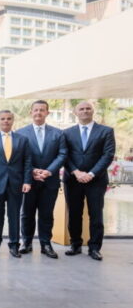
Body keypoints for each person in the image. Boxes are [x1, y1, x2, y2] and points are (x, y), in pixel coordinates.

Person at [63, 101, 115, 261]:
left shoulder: (106, 131)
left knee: (96, 214)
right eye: (81, 109)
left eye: (88, 108)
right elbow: (64, 154)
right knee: (74, 213)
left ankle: (94, 248)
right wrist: (76, 172)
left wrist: (91, 174)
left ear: (93, 111)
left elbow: (108, 155)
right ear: (75, 112)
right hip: (73, 179)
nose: (85, 111)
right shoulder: (66, 133)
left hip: (96, 180)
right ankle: (75, 244)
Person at [18, 100, 67, 259]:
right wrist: (32, 170)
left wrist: (49, 171)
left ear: (47, 113)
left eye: (42, 110)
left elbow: (62, 154)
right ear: (31, 112)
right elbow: (18, 156)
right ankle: (26, 243)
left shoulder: (58, 133)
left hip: (49, 181)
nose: (38, 112)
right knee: (27, 214)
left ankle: (46, 244)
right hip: (28, 181)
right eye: (36, 110)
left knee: (46, 214)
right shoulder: (20, 133)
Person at [0, 110, 32, 258]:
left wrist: (27, 181)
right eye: (3, 119)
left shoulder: (22, 140)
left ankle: (14, 245)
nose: (6, 121)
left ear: (12, 120)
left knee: (14, 216)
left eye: (9, 118)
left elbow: (27, 162)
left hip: (16, 183)